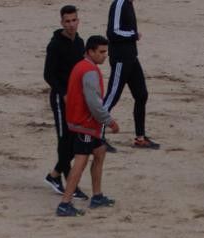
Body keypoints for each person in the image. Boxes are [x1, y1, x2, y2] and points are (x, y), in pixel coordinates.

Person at [58, 36, 120, 216]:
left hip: (81, 122)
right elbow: (94, 103)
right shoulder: (90, 71)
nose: (104, 56)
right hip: (84, 124)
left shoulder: (80, 66)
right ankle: (65, 203)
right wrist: (110, 121)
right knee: (81, 161)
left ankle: (97, 196)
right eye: (101, 52)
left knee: (100, 152)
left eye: (105, 52)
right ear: (90, 51)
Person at [103, 0, 159, 149]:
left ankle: (140, 138)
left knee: (141, 95)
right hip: (121, 58)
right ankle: (97, 137)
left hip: (131, 57)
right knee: (111, 97)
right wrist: (133, 35)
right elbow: (112, 32)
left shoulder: (127, 3)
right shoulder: (119, 3)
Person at [44, 5, 87, 197]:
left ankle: (55, 175)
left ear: (78, 21)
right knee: (64, 140)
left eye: (74, 20)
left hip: (77, 99)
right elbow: (48, 74)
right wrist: (63, 93)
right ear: (61, 22)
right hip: (61, 100)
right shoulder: (55, 45)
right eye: (67, 21)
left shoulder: (80, 43)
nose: (71, 24)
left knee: (72, 141)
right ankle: (70, 183)